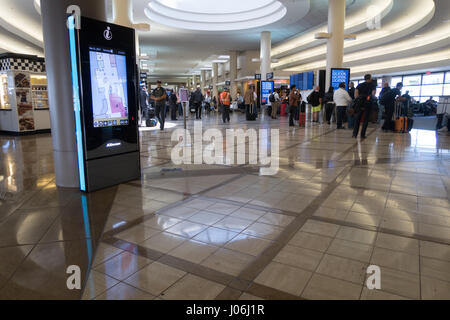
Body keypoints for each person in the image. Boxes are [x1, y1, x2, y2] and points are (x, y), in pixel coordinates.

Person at [353, 74, 376, 139]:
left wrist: (357, 100)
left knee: (357, 119)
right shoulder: (372, 85)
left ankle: (355, 134)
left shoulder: (360, 85)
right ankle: (362, 135)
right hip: (368, 104)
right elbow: (373, 94)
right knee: (365, 120)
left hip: (359, 103)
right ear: (370, 78)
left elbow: (356, 94)